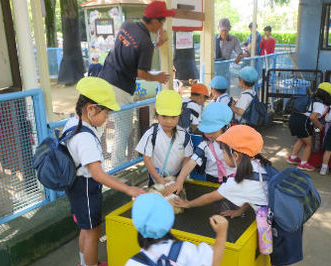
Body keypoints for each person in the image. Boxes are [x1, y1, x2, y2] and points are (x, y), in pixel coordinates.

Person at [173, 125, 302, 266]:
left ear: (235, 154)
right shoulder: (259, 163)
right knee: (281, 265)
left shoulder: (239, 181)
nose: (222, 155)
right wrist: (238, 210)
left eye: (223, 151)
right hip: (288, 220)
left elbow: (211, 197)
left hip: (281, 227)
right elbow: (255, 193)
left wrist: (187, 204)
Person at [64, 77, 146, 266]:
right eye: (106, 113)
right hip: (87, 188)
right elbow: (98, 174)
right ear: (91, 109)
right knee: (93, 233)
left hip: (76, 186)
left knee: (85, 229)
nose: (107, 117)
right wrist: (129, 188)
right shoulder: (85, 138)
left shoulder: (73, 124)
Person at [98, 1, 174, 167]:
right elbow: (141, 72)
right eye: (162, 22)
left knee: (99, 124)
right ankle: (117, 168)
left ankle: (93, 165)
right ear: (155, 21)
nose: (162, 25)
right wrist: (158, 78)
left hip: (103, 79)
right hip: (120, 88)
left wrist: (156, 45)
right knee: (123, 129)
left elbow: (131, 52)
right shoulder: (145, 42)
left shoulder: (127, 25)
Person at [164, 103, 235, 196]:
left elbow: (232, 163)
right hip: (212, 180)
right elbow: (191, 162)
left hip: (233, 180)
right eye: (205, 130)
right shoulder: (205, 145)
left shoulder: (235, 143)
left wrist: (224, 144)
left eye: (213, 130)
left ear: (227, 127)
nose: (208, 134)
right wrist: (179, 181)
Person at [135, 90, 194, 186]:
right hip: (156, 179)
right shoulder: (151, 134)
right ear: (156, 112)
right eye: (164, 116)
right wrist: (158, 179)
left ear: (180, 113)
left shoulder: (183, 135)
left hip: (177, 179)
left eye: (173, 117)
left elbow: (187, 157)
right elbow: (146, 158)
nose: (169, 121)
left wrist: (180, 179)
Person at [287, 82, 331, 171]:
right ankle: (303, 164)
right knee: (310, 144)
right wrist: (320, 126)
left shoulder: (310, 98)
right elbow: (313, 117)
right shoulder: (320, 104)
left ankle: (293, 157)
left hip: (293, 119)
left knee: (301, 138)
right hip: (302, 122)